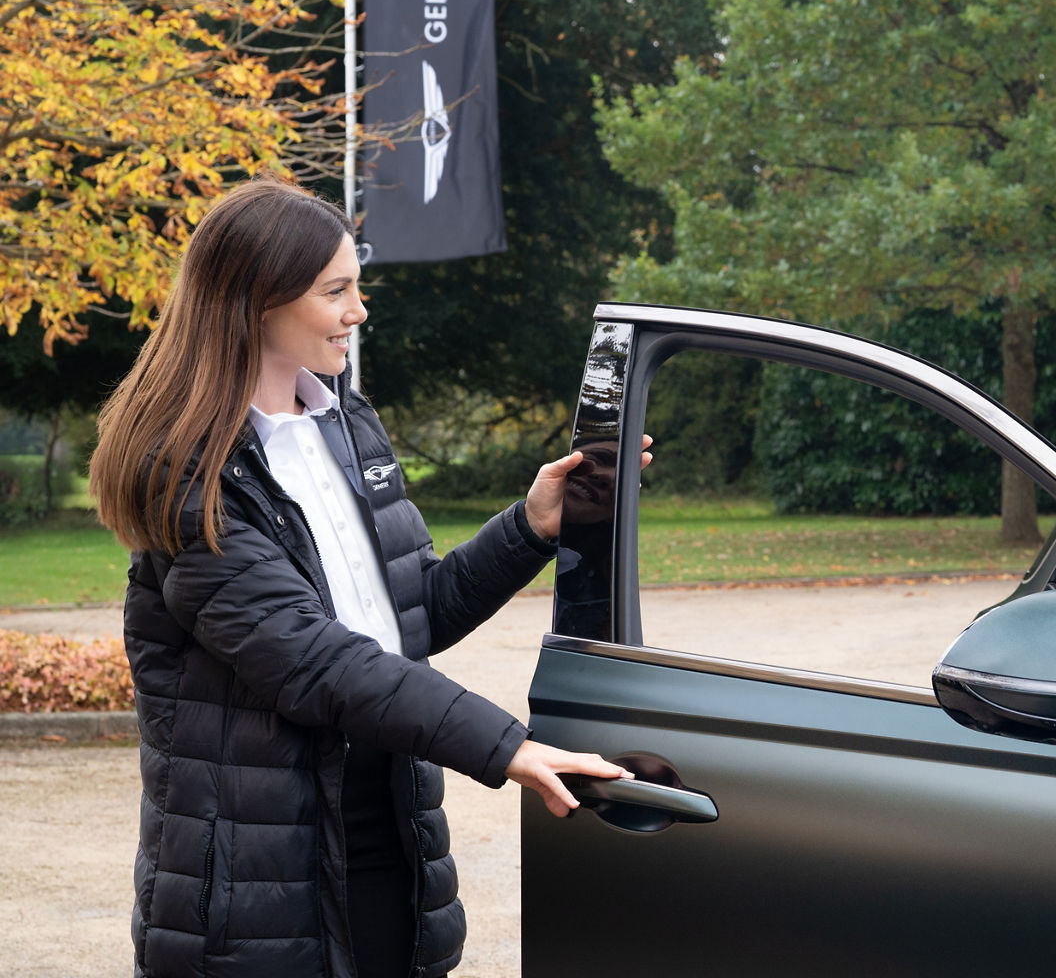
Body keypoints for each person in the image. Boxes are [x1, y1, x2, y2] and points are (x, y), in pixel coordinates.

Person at [89, 176, 645, 978]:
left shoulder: (347, 426)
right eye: (336, 291)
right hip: (257, 882)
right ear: (256, 301)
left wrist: (532, 526)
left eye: (357, 286)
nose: (359, 311)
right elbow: (317, 661)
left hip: (388, 829)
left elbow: (411, 616)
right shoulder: (186, 477)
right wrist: (509, 749)